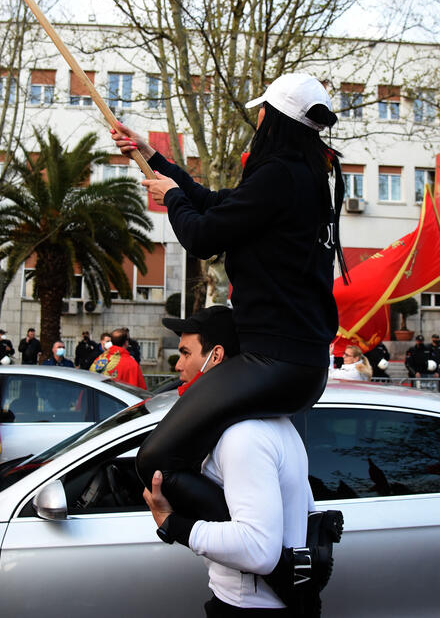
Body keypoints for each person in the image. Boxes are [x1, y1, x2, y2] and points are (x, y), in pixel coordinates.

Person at [113, 72, 342, 598]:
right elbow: (218, 205)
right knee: (164, 459)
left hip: (275, 362)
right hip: (295, 362)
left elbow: (202, 234)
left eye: (261, 112)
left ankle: (280, 567)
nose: (255, 119)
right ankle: (279, 554)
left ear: (275, 121)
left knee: (154, 463)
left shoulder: (281, 175)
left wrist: (171, 198)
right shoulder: (299, 175)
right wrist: (155, 159)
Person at [151, 305, 342, 616]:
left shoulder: (244, 436)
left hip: (248, 607)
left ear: (215, 356)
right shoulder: (271, 422)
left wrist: (173, 524)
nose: (178, 365)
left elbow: (259, 549)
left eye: (186, 353)